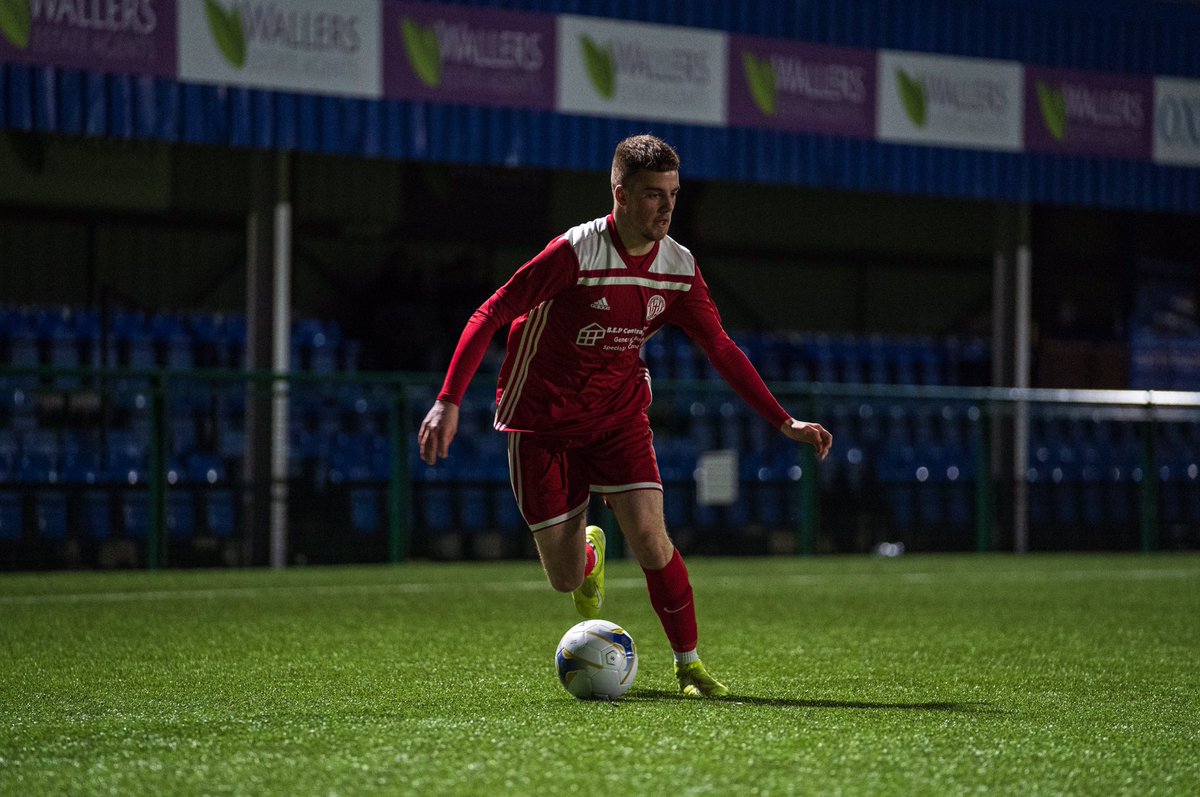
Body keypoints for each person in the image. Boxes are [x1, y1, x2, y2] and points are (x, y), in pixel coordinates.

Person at [418, 134, 832, 698]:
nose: (665, 207)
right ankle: (588, 553)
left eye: (673, 195)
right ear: (619, 193)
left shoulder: (679, 267)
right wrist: (448, 399)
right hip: (542, 419)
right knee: (564, 577)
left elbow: (721, 348)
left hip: (617, 414)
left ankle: (689, 666)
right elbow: (492, 311)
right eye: (652, 195)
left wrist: (784, 422)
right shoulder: (575, 253)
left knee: (651, 538)